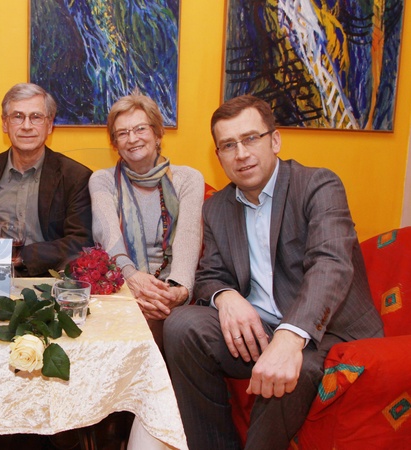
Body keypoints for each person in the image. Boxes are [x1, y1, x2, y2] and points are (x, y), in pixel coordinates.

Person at [163, 95, 384, 450]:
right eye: (228, 145)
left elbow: (330, 264)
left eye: (251, 138)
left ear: (275, 140)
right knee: (180, 325)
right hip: (260, 329)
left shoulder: (318, 185)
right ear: (218, 156)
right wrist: (226, 297)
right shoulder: (217, 207)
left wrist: (290, 337)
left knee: (293, 369)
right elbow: (209, 275)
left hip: (325, 331)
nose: (241, 154)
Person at [89, 90, 204, 349]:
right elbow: (108, 238)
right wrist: (132, 279)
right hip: (122, 285)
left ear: (158, 133)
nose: (132, 139)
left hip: (171, 289)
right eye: (122, 133)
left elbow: (188, 238)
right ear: (114, 143)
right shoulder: (102, 180)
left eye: (140, 129)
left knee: (165, 322)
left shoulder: (188, 179)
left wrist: (178, 289)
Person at [0, 83, 93, 276]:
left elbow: (81, 241)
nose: (26, 126)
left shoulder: (75, 177)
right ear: (4, 124)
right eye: (17, 117)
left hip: (48, 281)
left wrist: (24, 256)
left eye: (36, 117)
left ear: (49, 125)